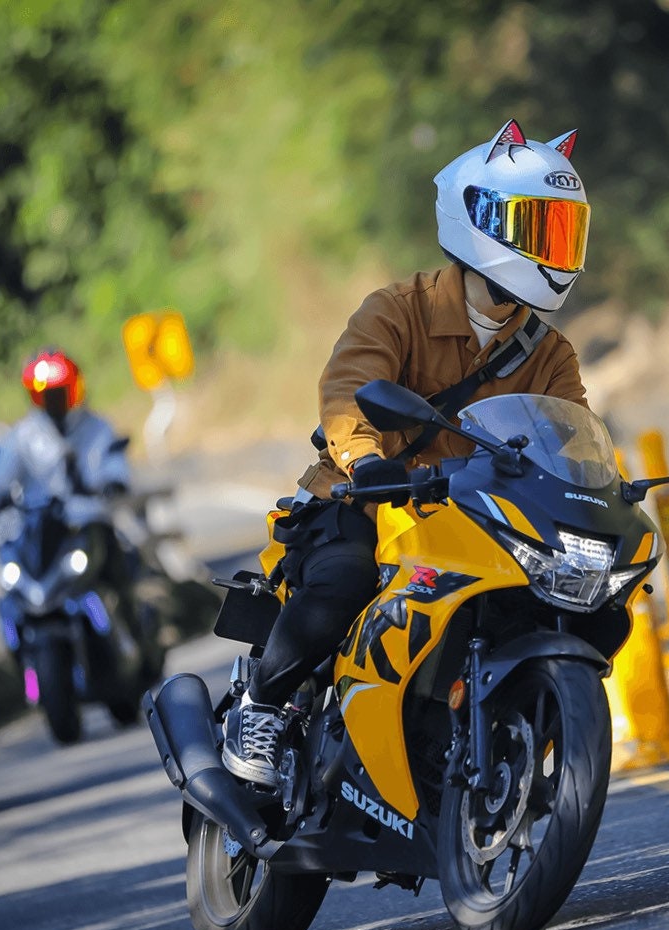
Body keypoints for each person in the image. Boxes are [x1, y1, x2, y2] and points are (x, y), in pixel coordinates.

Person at [222, 119, 594, 787]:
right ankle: (264, 704)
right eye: (540, 231)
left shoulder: (550, 354)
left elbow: (569, 430)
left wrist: (598, 489)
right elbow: (347, 390)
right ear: (480, 221)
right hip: (368, 503)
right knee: (341, 582)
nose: (556, 251)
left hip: (474, 521)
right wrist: (367, 462)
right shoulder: (398, 310)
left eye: (564, 232)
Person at [0, 349, 161, 676]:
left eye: (59, 392)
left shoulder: (95, 427)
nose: (55, 399)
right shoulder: (25, 435)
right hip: (40, 530)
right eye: (47, 394)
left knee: (119, 572)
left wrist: (112, 483)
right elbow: (0, 481)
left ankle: (138, 644)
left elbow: (114, 465)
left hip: (88, 525)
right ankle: (27, 664)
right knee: (12, 592)